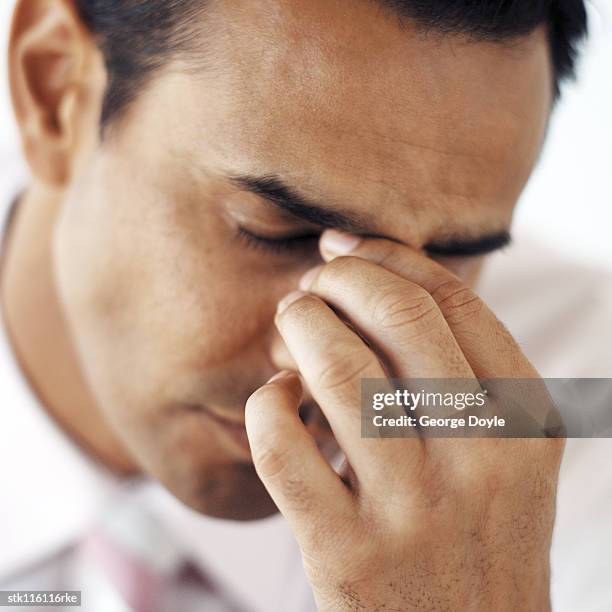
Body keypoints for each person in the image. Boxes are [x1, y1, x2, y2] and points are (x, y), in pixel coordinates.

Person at [1, 0, 610, 610]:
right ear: (55, 92)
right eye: (277, 233)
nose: (341, 364)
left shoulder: (572, 395)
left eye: (450, 257)